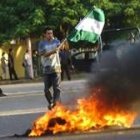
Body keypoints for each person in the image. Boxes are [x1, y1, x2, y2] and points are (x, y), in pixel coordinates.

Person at [38, 26, 62, 110]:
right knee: (46, 90)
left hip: (56, 68)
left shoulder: (56, 41)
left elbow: (62, 48)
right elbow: (43, 54)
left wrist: (63, 45)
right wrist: (53, 51)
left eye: (51, 33)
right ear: (44, 34)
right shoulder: (42, 43)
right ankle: (51, 101)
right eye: (48, 33)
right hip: (46, 69)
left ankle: (56, 104)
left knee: (57, 88)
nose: (50, 35)